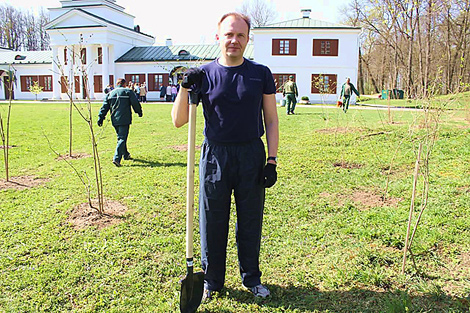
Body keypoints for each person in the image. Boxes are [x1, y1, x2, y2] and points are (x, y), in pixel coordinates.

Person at [172, 12, 279, 301]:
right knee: (212, 219)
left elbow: (271, 120)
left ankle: (251, 278)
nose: (234, 40)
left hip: (251, 156)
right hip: (214, 155)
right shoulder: (203, 75)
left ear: (247, 39)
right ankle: (211, 281)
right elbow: (178, 120)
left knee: (250, 219)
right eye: (229, 34)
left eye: (240, 35)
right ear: (218, 37)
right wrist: (185, 84)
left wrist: (272, 159)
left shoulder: (260, 74)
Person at [97, 78, 143, 167]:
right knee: (122, 138)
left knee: (121, 137)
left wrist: (100, 118)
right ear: (124, 84)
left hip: (114, 119)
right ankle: (117, 158)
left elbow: (104, 107)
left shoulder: (110, 94)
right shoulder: (128, 91)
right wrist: (139, 112)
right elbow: (135, 103)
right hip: (125, 118)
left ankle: (125, 154)